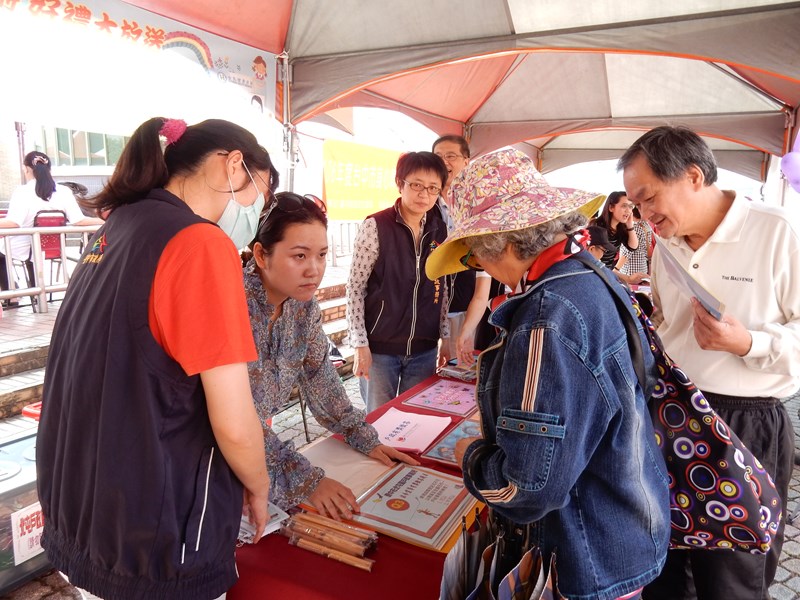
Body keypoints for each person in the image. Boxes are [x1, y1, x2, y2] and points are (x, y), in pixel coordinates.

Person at [37, 117, 273, 600]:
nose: (251, 212)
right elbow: (232, 418)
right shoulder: (202, 244)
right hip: (157, 535)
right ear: (232, 166)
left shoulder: (116, 227)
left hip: (86, 512)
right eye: (256, 195)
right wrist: (259, 483)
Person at [427, 148, 670, 600]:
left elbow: (528, 486)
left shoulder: (546, 316)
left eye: (475, 254)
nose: (479, 265)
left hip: (586, 555)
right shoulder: (590, 274)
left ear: (500, 241)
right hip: (621, 525)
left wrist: (470, 456)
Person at [619, 125, 799, 600]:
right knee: (663, 568)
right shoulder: (665, 247)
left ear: (693, 176)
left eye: (648, 197)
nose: (643, 214)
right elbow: (663, 320)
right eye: (635, 205)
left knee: (733, 580)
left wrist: (749, 343)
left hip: (745, 422)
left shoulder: (778, 230)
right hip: (668, 419)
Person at [244, 191, 417, 520]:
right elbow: (238, 419)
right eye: (299, 256)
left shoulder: (302, 305)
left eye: (322, 255)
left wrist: (362, 436)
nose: (314, 269)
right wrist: (305, 481)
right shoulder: (233, 306)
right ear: (262, 255)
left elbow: (319, 377)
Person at [347, 151, 450, 413]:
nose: (424, 195)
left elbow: (443, 284)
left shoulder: (439, 229)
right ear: (399, 183)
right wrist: (360, 344)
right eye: (416, 185)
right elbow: (356, 288)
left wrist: (445, 337)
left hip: (424, 349)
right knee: (378, 422)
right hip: (380, 350)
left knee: (414, 418)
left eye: (432, 188)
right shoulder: (375, 226)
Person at [0, 151, 102, 295]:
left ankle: (12, 294)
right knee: (28, 252)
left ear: (26, 168)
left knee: (2, 253)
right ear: (50, 169)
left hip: (25, 246)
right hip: (54, 246)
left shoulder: (22, 191)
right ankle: (30, 292)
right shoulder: (64, 191)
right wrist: (105, 220)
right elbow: (79, 220)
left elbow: (14, 222)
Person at [432, 135, 477, 362]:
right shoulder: (425, 203)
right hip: (431, 302)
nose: (444, 162)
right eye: (438, 156)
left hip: (468, 299)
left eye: (451, 156)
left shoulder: (477, 205)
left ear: (466, 161)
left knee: (463, 364)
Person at [591, 190, 648, 284]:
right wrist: (627, 278)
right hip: (595, 275)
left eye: (631, 206)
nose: (628, 210)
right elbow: (594, 262)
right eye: (624, 206)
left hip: (606, 274)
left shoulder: (621, 228)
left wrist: (630, 225)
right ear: (611, 207)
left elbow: (633, 247)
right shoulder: (597, 227)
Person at [619, 206, 654, 276]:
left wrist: (616, 269)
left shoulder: (633, 228)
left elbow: (627, 252)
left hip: (630, 270)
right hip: (642, 268)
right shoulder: (646, 226)